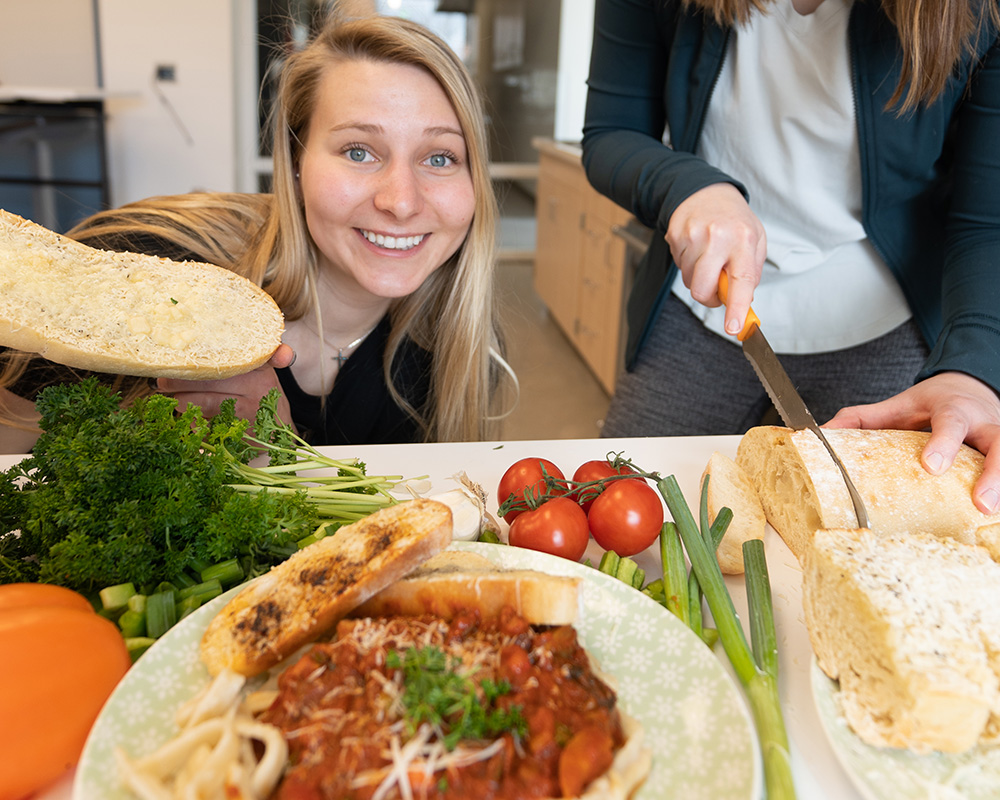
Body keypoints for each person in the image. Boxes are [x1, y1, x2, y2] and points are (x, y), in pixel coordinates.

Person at [1, 14, 515, 452]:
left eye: (441, 157)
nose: (400, 201)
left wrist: (279, 455)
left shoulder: (459, 351)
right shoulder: (148, 269)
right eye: (358, 151)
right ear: (295, 162)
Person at [582, 0, 1000, 514]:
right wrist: (688, 186)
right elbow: (610, 132)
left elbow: (988, 220)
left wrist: (972, 371)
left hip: (885, 325)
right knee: (618, 508)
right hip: (698, 305)